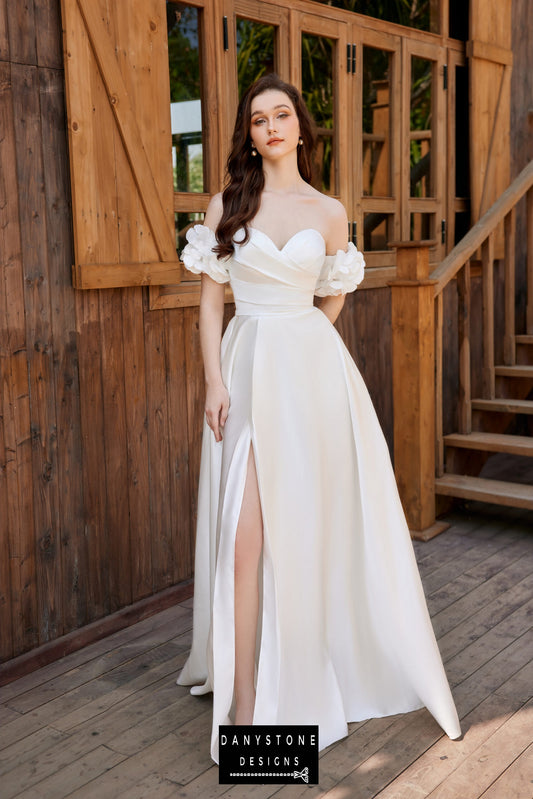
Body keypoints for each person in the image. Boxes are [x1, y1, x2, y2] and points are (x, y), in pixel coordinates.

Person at [177, 73, 461, 763]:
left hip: (311, 380)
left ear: (300, 128)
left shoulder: (329, 211)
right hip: (245, 374)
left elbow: (331, 295)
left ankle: (296, 677)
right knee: (244, 541)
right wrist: (214, 379)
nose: (270, 127)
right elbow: (211, 301)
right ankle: (246, 712)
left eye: (280, 115)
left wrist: (303, 337)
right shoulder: (227, 204)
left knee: (300, 535)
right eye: (256, 119)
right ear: (248, 134)